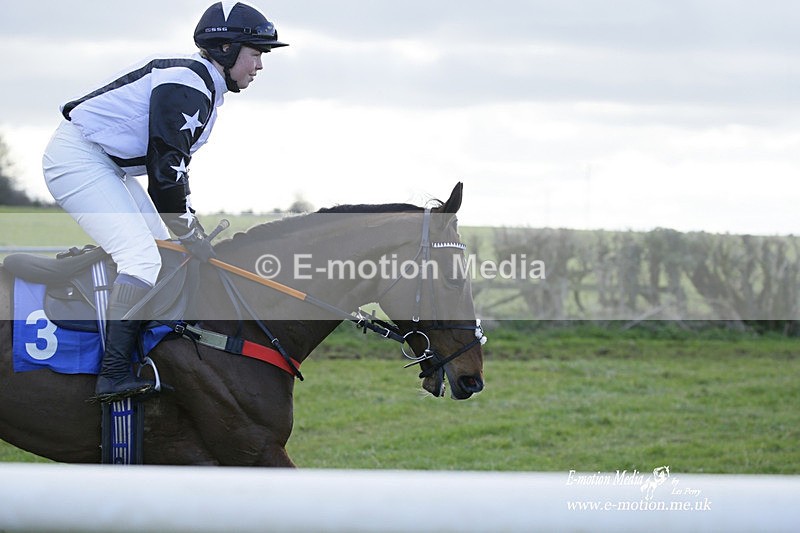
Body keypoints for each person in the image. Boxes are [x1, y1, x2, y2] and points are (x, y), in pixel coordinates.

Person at [42, 2, 288, 401]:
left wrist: (190, 230)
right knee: (142, 259)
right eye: (256, 53)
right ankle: (113, 373)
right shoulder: (189, 84)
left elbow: (173, 173)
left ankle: (145, 352)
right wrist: (191, 232)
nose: (259, 65)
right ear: (226, 49)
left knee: (166, 253)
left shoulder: (202, 85)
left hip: (105, 165)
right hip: (78, 159)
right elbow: (165, 177)